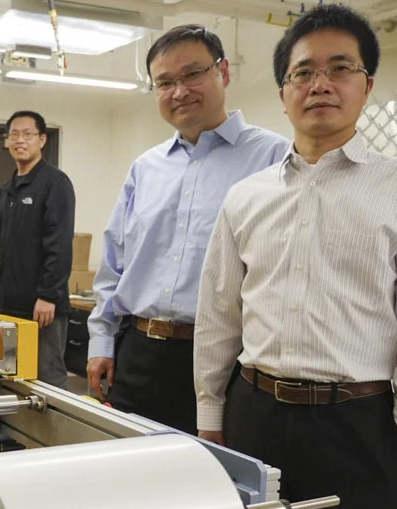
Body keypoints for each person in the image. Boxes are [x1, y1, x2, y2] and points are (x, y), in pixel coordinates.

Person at [194, 4, 397, 509]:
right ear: (283, 94)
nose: (320, 84)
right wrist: (211, 415)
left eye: (340, 68)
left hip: (360, 427)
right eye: (303, 73)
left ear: (367, 85)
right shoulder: (246, 196)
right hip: (254, 415)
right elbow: (219, 317)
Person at [85, 25, 288, 434]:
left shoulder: (275, 157)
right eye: (165, 82)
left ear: (224, 72)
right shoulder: (145, 168)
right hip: (139, 352)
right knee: (131, 477)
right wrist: (101, 342)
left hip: (228, 360)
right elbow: (115, 263)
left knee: (215, 482)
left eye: (193, 74)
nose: (179, 91)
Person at [0, 111, 75, 389]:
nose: (20, 140)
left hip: (42, 308)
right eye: (14, 134)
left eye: (28, 134)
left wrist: (48, 295)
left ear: (42, 140)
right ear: (7, 140)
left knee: (46, 381)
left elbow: (59, 243)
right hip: (7, 306)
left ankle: (53, 433)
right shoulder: (6, 190)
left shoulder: (55, 183)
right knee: (10, 378)